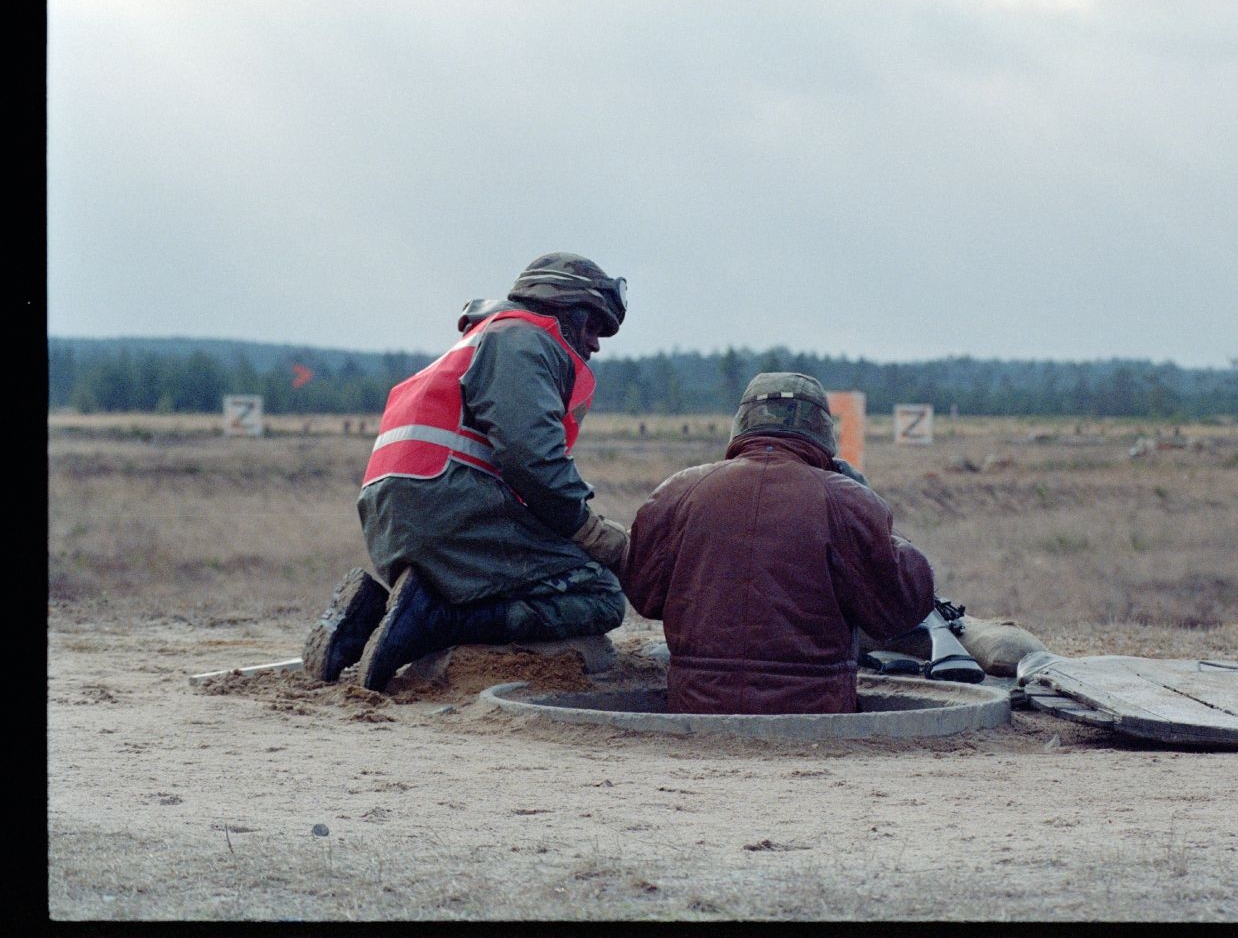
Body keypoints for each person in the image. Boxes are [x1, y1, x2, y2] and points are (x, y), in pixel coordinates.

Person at [302, 252, 632, 692]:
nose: (594, 344)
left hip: (399, 517)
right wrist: (591, 533)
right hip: (448, 507)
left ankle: (367, 619)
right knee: (601, 595)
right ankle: (435, 621)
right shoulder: (524, 341)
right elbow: (531, 459)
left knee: (524, 578)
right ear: (564, 308)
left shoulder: (485, 339)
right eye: (591, 326)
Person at [618, 372, 939, 715]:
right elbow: (900, 608)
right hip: (815, 714)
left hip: (696, 710)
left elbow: (644, 594)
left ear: (742, 423)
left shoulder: (678, 492)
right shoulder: (846, 500)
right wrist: (877, 520)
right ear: (821, 430)